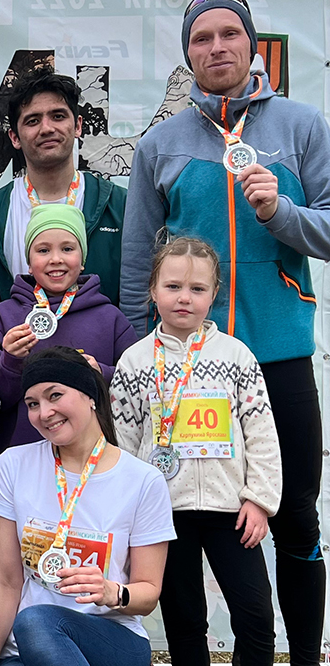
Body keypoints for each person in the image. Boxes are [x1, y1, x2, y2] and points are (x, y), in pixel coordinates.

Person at [120, 0, 330, 662]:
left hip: (278, 353)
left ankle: (304, 657)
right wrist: (136, 351)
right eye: (201, 38)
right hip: (187, 368)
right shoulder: (160, 144)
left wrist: (282, 214)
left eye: (228, 34)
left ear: (251, 43)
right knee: (184, 518)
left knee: (294, 517)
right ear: (188, 53)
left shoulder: (302, 126)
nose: (216, 47)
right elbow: (138, 257)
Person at [110, 236, 281, 665]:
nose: (184, 298)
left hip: (232, 512)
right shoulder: (134, 362)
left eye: (197, 289)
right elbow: (122, 445)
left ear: (214, 293)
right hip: (165, 515)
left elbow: (261, 433)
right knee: (184, 623)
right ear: (153, 290)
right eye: (172, 286)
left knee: (257, 618)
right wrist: (131, 514)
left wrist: (259, 500)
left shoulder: (237, 356)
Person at [0, 347, 175, 666]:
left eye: (55, 395)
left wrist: (112, 591)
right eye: (32, 404)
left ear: (90, 395)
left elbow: (148, 592)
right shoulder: (12, 466)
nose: (44, 413)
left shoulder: (143, 480)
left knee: (35, 620)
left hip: (111, 641)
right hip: (27, 647)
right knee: (33, 624)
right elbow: (6, 580)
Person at [0, 205, 136, 462]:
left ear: (83, 258)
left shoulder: (110, 318)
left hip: (93, 459)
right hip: (22, 457)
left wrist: (101, 373)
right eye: (43, 250)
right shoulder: (4, 317)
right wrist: (11, 360)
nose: (56, 259)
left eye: (67, 249)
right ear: (28, 262)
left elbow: (133, 388)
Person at [0, 66, 125, 306]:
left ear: (78, 126)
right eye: (33, 121)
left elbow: (141, 295)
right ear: (14, 137)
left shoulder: (121, 207)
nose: (47, 128)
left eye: (58, 116)